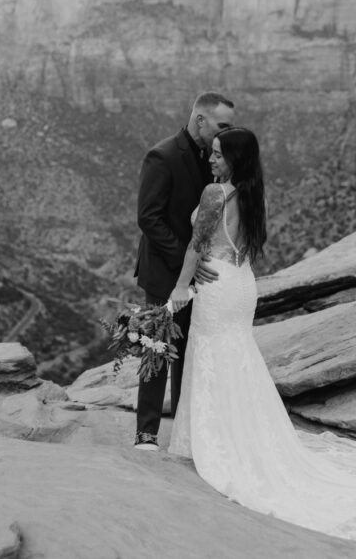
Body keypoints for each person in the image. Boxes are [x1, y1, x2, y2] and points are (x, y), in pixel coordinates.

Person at [166, 127, 356, 540]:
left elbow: (196, 245)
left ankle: (217, 443)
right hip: (241, 281)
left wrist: (179, 289)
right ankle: (239, 437)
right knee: (235, 357)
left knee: (213, 356)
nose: (210, 160)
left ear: (234, 160)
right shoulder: (250, 191)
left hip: (217, 287)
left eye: (217, 155)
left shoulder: (215, 194)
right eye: (210, 154)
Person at [133, 91, 235, 451]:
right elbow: (149, 217)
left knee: (190, 352)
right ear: (200, 120)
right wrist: (187, 263)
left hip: (203, 275)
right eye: (223, 124)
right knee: (158, 349)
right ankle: (145, 433)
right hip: (165, 271)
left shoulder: (218, 158)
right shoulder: (162, 155)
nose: (228, 130)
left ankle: (182, 430)